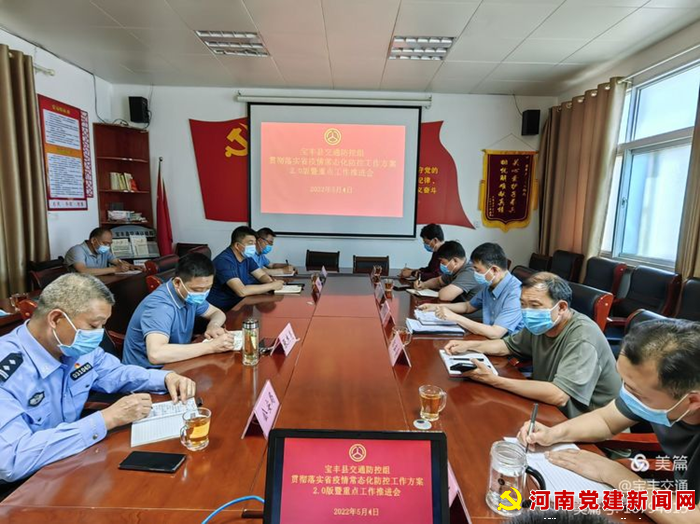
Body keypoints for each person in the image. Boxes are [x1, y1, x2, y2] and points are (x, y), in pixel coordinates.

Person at [0, 273, 195, 483]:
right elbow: (11, 461)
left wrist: (166, 378)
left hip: (72, 460)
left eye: (103, 325)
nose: (99, 334)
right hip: (26, 485)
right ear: (55, 319)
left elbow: (115, 372)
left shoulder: (71, 346)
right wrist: (106, 419)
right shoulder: (8, 369)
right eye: (94, 326)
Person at [517, 319, 700, 524]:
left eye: (635, 392)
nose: (626, 395)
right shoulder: (658, 396)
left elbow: (692, 518)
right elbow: (606, 420)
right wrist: (553, 434)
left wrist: (612, 473)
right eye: (624, 382)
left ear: (693, 401)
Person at [445, 272, 620, 418]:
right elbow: (507, 346)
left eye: (535, 305)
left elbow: (559, 395)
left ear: (561, 307)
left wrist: (495, 381)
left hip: (587, 422)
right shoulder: (543, 324)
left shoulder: (583, 337)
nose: (527, 311)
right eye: (523, 304)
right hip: (548, 408)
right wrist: (468, 346)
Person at [122, 253, 234, 368]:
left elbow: (217, 313)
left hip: (176, 362)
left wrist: (213, 326)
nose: (202, 294)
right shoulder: (160, 307)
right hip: (148, 372)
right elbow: (156, 354)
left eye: (208, 288)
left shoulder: (189, 295)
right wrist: (211, 346)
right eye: (198, 289)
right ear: (177, 283)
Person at [419, 242, 523, 338]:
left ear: (494, 269)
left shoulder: (516, 293)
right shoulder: (490, 285)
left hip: (507, 347)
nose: (475, 274)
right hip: (488, 338)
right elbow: (468, 306)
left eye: (477, 270)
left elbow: (496, 333)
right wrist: (436, 307)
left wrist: (455, 317)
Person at [207, 226, 284, 310]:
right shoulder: (224, 261)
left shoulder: (247, 258)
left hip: (239, 303)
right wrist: (271, 286)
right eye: (250, 243)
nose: (253, 247)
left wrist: (270, 281)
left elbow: (261, 275)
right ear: (237, 245)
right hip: (222, 309)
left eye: (254, 243)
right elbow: (242, 291)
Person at [414, 240, 479, 302]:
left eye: (443, 262)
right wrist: (424, 284)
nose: (441, 265)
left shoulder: (470, 271)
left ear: (455, 261)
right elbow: (438, 281)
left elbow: (445, 296)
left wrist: (444, 288)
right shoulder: (454, 270)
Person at [64, 227, 139, 276]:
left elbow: (117, 261)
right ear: (93, 240)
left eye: (109, 244)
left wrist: (129, 266)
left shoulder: (103, 251)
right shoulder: (77, 250)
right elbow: (83, 271)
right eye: (105, 243)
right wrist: (115, 269)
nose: (107, 247)